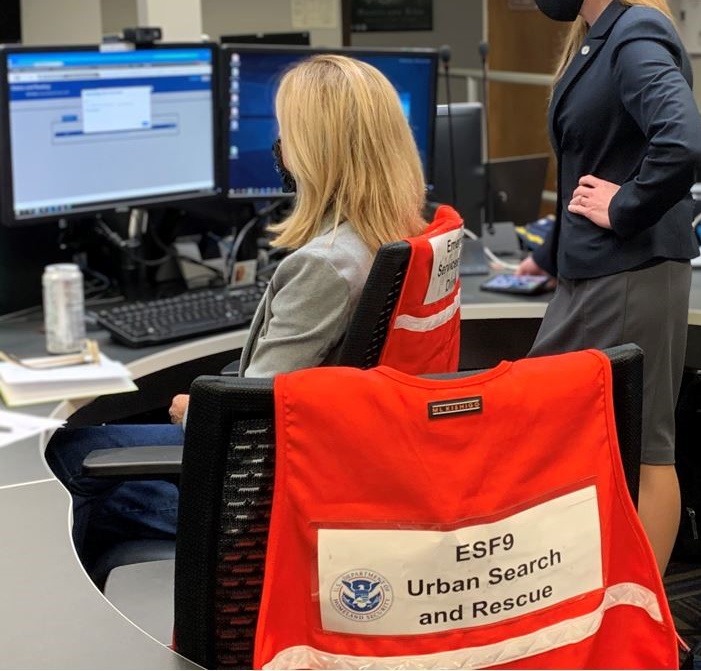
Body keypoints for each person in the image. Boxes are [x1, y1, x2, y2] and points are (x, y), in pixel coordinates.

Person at [45, 54, 427, 574]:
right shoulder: (395, 236)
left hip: (253, 502)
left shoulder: (324, 265)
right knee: (100, 456)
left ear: (314, 151)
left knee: (67, 454)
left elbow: (252, 421)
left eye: (287, 132)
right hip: (326, 471)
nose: (280, 146)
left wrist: (190, 409)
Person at [513, 0, 701, 574]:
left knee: (646, 444)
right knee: (541, 421)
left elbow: (682, 142)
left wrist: (621, 206)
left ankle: (645, 617)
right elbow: (592, 157)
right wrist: (551, 249)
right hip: (590, 269)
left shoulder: (634, 32)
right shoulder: (597, 38)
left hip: (633, 270)